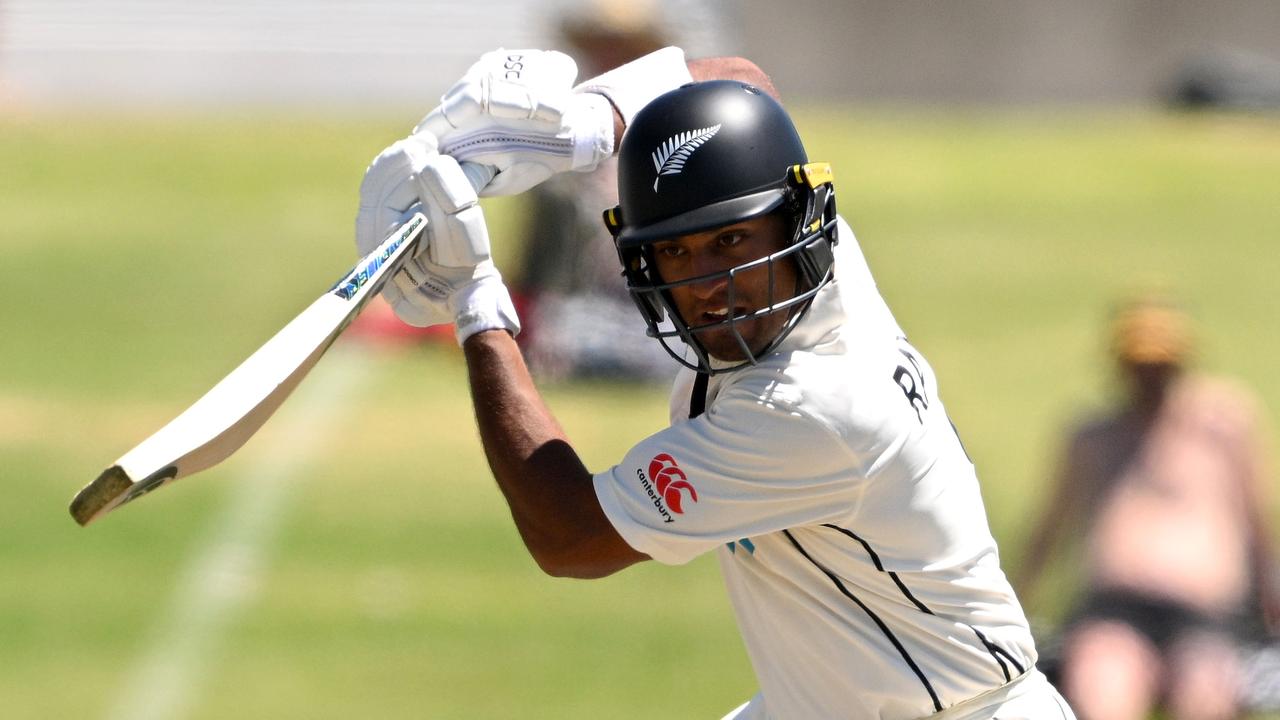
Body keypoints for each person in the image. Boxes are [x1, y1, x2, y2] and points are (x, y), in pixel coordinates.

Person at [353, 47, 1075, 718]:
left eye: (730, 241)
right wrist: (581, 129)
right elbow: (740, 80)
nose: (709, 284)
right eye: (675, 251)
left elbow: (569, 534)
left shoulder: (811, 408)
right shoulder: (820, 258)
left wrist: (475, 300)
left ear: (794, 224)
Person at [1016, 294, 1279, 720]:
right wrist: (1015, 605)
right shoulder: (1093, 437)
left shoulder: (1222, 426)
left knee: (1206, 696)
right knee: (1103, 689)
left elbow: (1259, 526)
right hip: (1114, 608)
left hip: (1205, 613)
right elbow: (1048, 531)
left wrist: (1272, 609)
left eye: (1160, 366)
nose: (1150, 379)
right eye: (1140, 367)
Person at [514, 0, 673, 381]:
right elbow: (538, 263)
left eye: (619, 46)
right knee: (563, 338)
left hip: (654, 304)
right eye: (600, 46)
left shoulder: (666, 128)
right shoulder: (562, 132)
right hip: (580, 306)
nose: (608, 57)